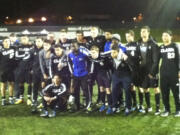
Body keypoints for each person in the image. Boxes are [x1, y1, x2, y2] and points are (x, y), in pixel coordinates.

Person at [138, 26, 160, 114]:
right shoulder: (139, 43)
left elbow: (156, 60)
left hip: (152, 71)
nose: (143, 33)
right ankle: (149, 107)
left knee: (156, 88)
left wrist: (152, 72)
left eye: (144, 31)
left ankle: (158, 109)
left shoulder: (153, 44)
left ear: (148, 33)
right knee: (145, 88)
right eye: (141, 31)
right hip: (143, 71)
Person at [159, 30, 180, 117]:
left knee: (176, 92)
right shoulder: (161, 48)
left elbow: (179, 59)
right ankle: (167, 110)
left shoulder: (175, 46)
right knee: (164, 92)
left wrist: (179, 71)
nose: (164, 37)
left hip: (173, 73)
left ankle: (178, 110)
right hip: (163, 73)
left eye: (166, 35)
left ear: (170, 37)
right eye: (163, 35)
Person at [67, 41, 91, 112]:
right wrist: (72, 72)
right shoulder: (70, 55)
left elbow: (90, 62)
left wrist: (89, 72)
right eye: (72, 46)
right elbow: (69, 63)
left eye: (74, 46)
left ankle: (88, 106)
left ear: (78, 47)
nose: (73, 48)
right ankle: (77, 106)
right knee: (75, 91)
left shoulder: (84, 53)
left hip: (84, 75)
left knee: (85, 90)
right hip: (75, 75)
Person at [89, 45, 113, 114]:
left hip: (106, 74)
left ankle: (110, 106)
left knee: (108, 90)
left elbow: (111, 52)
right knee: (101, 89)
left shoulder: (103, 56)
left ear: (98, 52)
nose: (92, 54)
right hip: (99, 75)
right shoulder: (91, 57)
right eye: (91, 53)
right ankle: (103, 104)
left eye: (94, 53)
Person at [110, 44, 132, 115]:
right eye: (112, 52)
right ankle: (115, 106)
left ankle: (128, 107)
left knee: (127, 91)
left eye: (114, 52)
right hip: (116, 76)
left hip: (126, 76)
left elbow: (132, 66)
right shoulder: (110, 56)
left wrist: (127, 60)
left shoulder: (125, 56)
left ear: (118, 52)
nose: (112, 54)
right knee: (114, 91)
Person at [14, 36, 34, 105]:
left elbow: (32, 57)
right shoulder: (18, 47)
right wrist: (26, 55)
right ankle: (21, 98)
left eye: (25, 38)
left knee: (29, 84)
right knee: (20, 83)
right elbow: (16, 57)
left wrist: (23, 55)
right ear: (21, 40)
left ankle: (29, 99)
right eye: (22, 39)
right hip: (21, 68)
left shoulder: (31, 47)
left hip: (29, 69)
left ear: (28, 39)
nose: (24, 40)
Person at [125, 30, 141, 111]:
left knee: (139, 87)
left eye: (128, 36)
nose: (127, 38)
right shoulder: (126, 46)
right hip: (129, 70)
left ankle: (141, 104)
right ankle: (135, 103)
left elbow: (140, 56)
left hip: (137, 69)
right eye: (126, 37)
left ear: (132, 36)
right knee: (132, 86)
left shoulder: (137, 44)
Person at [0, 38, 16, 105]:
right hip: (3, 70)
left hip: (11, 70)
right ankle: (3, 99)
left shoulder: (13, 49)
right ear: (3, 43)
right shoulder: (0, 50)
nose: (7, 42)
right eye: (6, 41)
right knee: (3, 84)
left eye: (9, 41)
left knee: (11, 84)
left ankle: (11, 98)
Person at [30, 37, 44, 112]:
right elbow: (30, 61)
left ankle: (43, 102)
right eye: (36, 41)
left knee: (43, 88)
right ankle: (34, 103)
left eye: (39, 41)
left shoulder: (45, 49)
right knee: (35, 88)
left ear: (42, 42)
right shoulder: (32, 51)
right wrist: (31, 69)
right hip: (35, 73)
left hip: (43, 73)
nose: (37, 42)